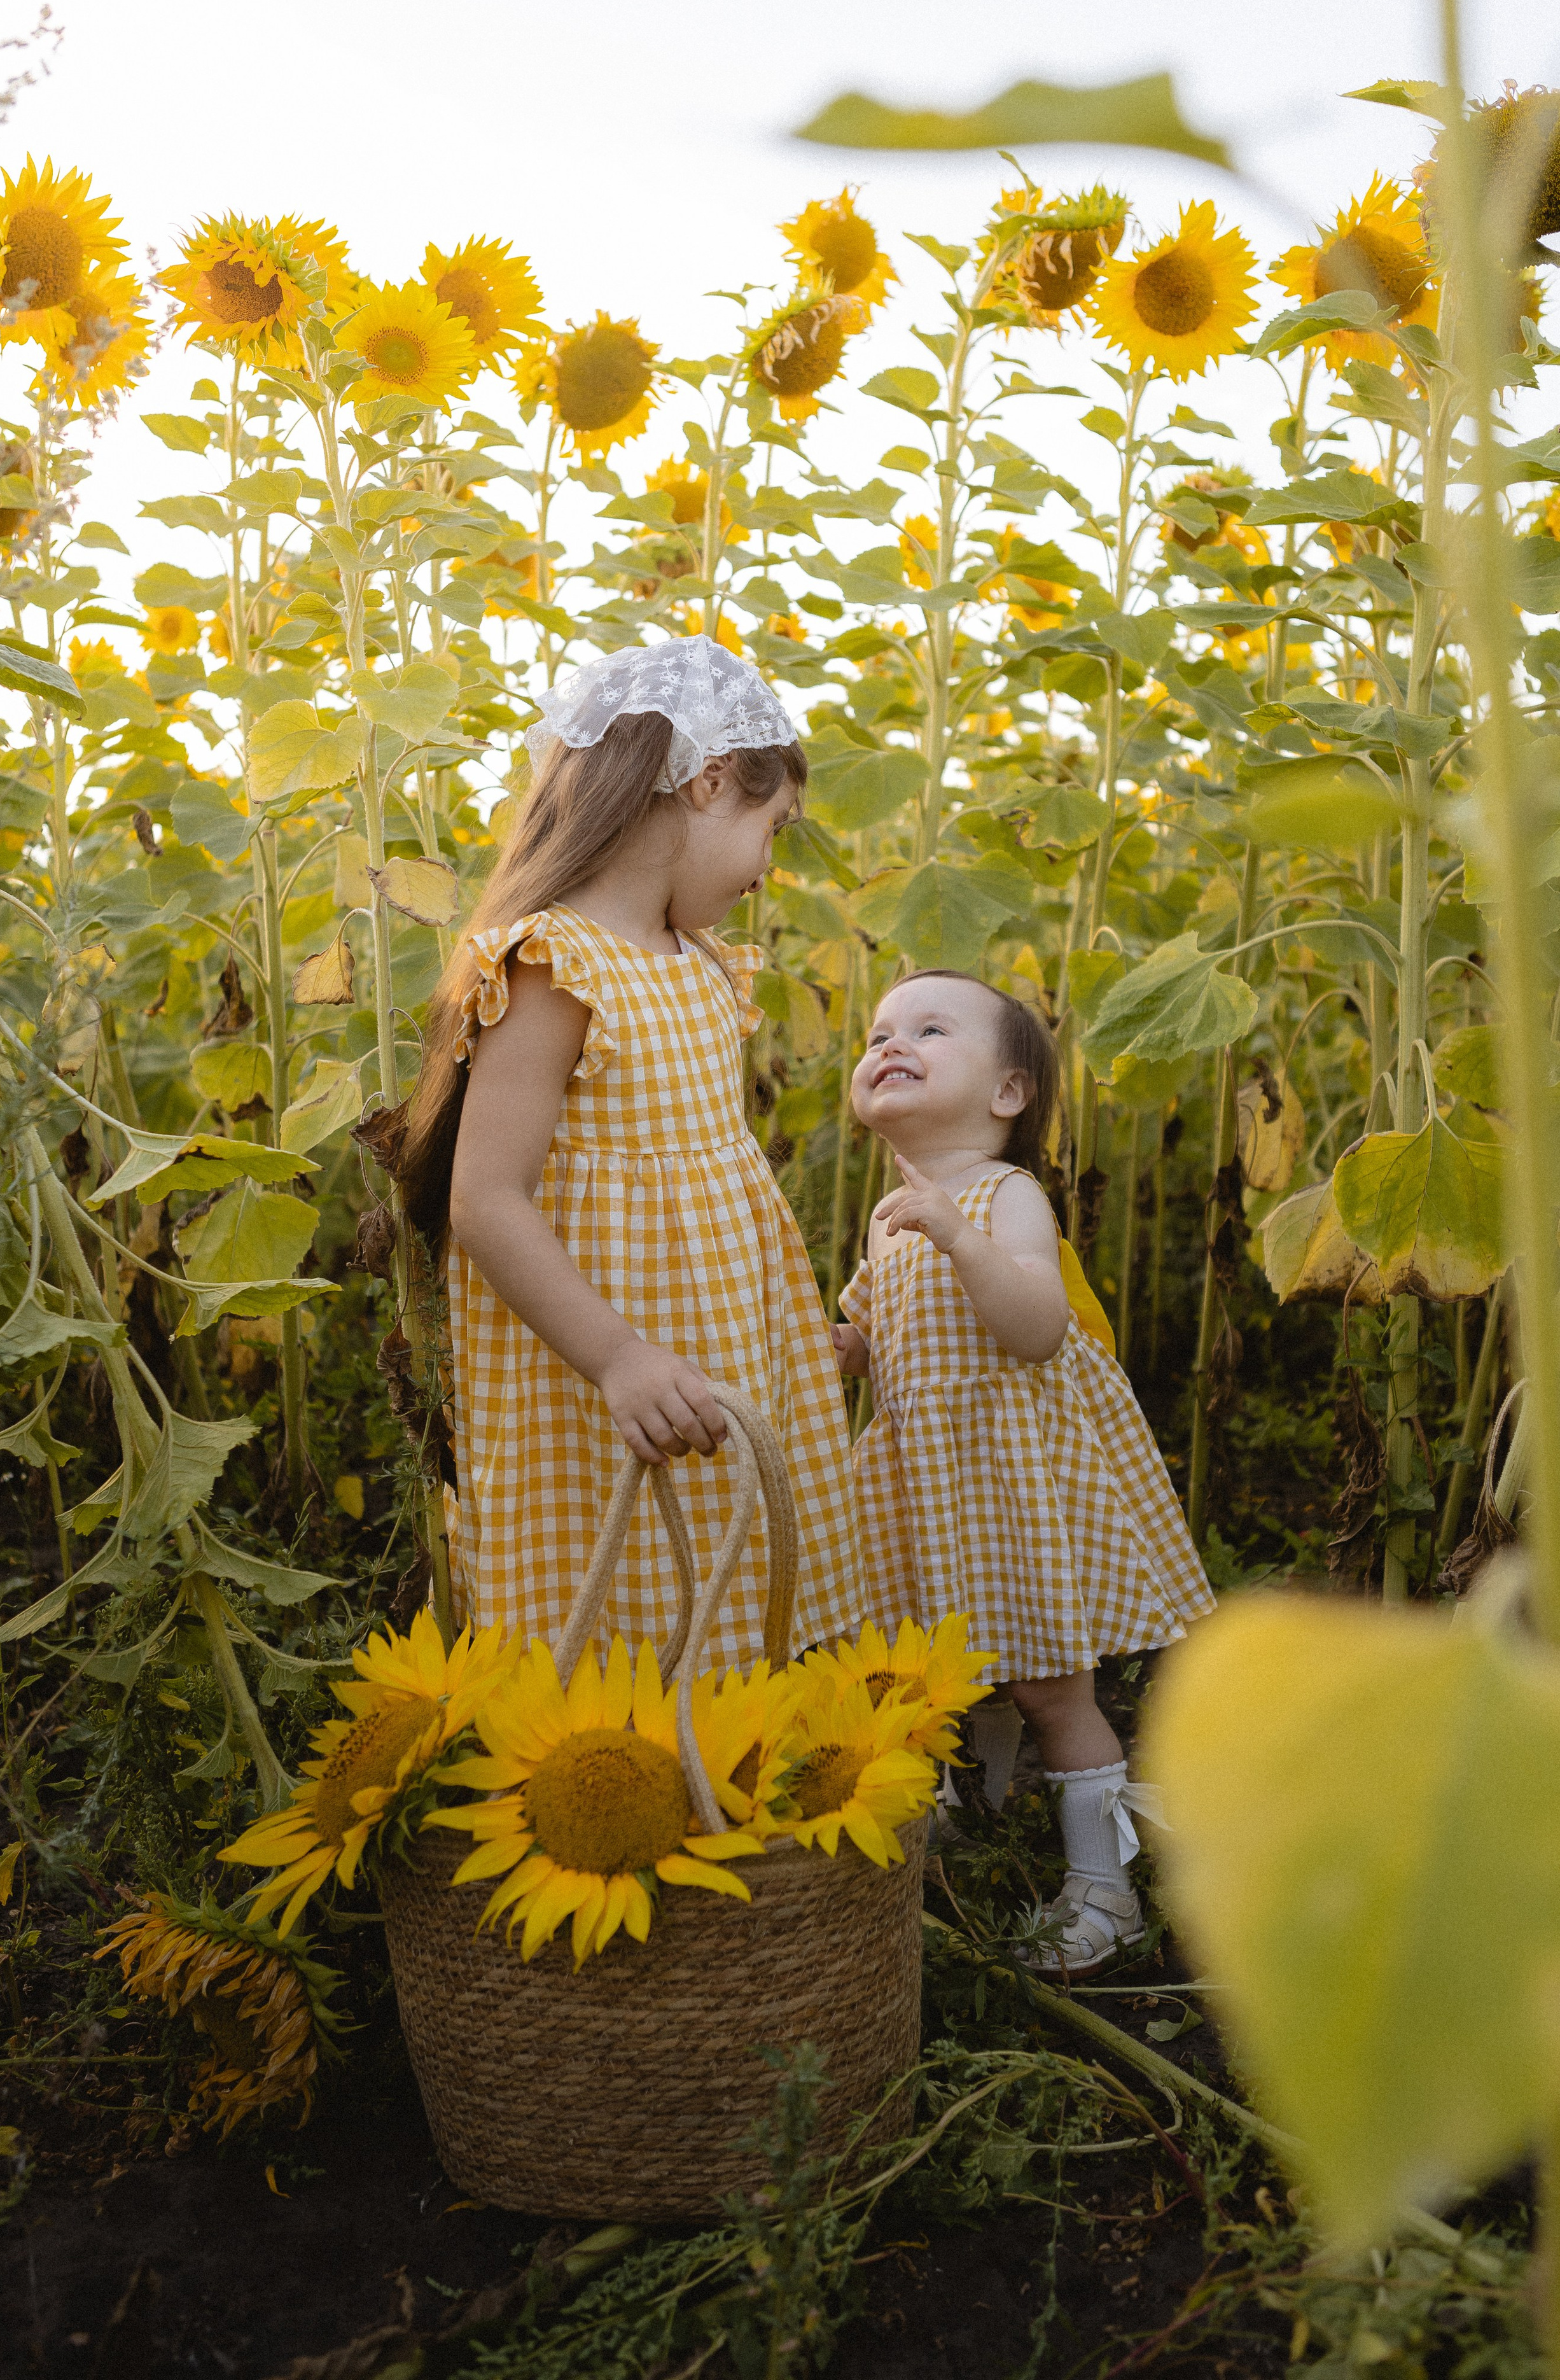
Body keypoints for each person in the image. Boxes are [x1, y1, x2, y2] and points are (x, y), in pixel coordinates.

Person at [396, 636, 861, 1673]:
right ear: (708, 783)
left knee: (724, 1556)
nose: (769, 870)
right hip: (601, 1352)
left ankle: (722, 1743)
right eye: (774, 828)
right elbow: (488, 1201)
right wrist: (617, 1358)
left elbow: (710, 1188)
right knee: (619, 1584)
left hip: (711, 1345)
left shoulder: (701, 964)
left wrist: (781, 1335)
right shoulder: (556, 963)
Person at [831, 968, 1215, 1973]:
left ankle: (1103, 1887)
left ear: (1009, 1093)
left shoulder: (1008, 1197)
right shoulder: (888, 1216)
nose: (891, 1043)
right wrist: (840, 1349)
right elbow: (883, 1330)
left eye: (930, 1029)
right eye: (878, 1034)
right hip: (929, 1485)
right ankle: (983, 1826)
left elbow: (1038, 1327)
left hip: (1014, 1483)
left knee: (1050, 1687)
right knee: (946, 1671)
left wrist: (961, 1237)